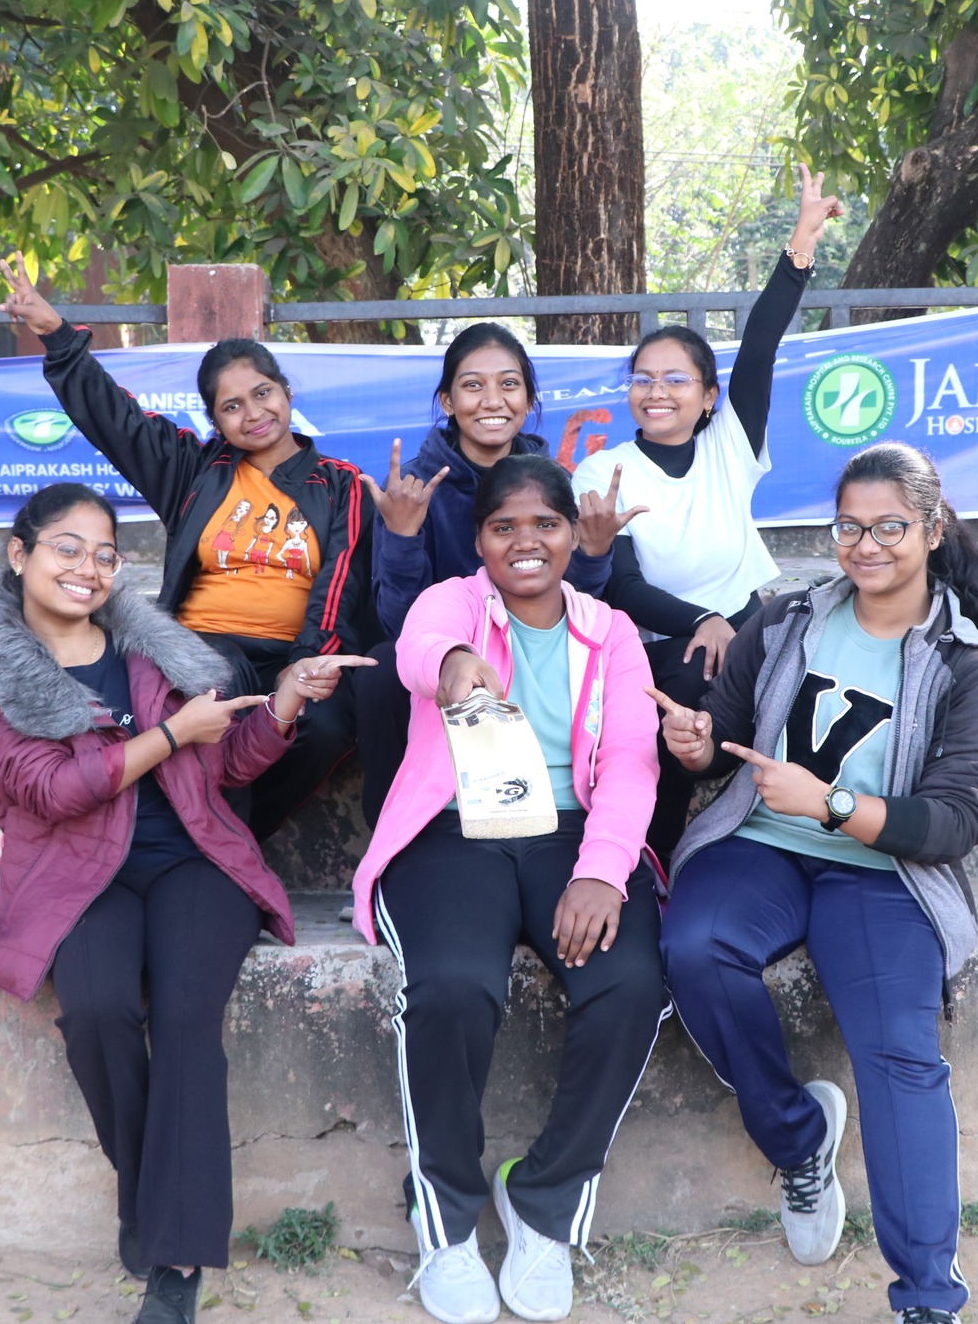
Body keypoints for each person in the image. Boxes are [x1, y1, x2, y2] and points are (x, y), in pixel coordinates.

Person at [0, 483, 370, 1324]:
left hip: (195, 859)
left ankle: (174, 1260)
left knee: (184, 1015)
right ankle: (149, 1190)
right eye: (68, 547)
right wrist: (174, 733)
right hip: (76, 872)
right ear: (20, 554)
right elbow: (53, 790)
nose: (88, 567)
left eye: (105, 553)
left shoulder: (155, 654)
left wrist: (286, 699)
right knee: (99, 1010)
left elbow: (225, 765)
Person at [649, 444, 978, 1324]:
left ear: (932, 529)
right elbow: (727, 734)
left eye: (889, 527)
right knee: (694, 945)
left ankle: (927, 1298)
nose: (866, 545)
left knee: (898, 1053)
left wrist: (834, 803)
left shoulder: (965, 663)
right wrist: (697, 744)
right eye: (850, 526)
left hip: (884, 872)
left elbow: (956, 819)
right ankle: (799, 1138)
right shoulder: (788, 618)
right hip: (763, 846)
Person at [351, 456, 666, 1324]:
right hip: (455, 832)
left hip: (572, 835)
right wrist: (456, 665)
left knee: (631, 983)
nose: (526, 542)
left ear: (572, 535)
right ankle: (446, 1219)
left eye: (545, 525)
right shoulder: (452, 603)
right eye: (504, 527)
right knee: (454, 985)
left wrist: (602, 870)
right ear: (480, 539)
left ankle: (544, 1201)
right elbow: (419, 648)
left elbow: (632, 761)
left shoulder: (612, 632)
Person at [0, 256, 370, 841]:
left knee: (326, 729)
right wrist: (56, 335)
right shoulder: (194, 471)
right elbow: (116, 419)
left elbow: (340, 584)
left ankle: (227, 840)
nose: (254, 413)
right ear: (215, 421)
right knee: (216, 684)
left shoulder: (341, 483)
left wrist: (305, 662)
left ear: (286, 392)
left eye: (263, 393)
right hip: (199, 647)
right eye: (232, 406)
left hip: (294, 650)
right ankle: (203, 842)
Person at [571, 167, 843, 868]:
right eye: (643, 379)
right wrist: (701, 620)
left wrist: (800, 245)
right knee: (677, 703)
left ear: (708, 395)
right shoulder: (601, 472)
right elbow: (620, 585)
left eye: (675, 379)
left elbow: (760, 346)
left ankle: (815, 841)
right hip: (661, 644)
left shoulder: (730, 442)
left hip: (747, 624)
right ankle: (651, 861)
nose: (656, 391)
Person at [355, 324, 625, 824]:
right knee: (382, 670)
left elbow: (579, 603)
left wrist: (594, 552)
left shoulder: (553, 482)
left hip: (535, 645)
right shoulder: (412, 488)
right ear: (448, 400)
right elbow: (400, 625)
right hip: (446, 654)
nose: (492, 400)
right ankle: (393, 838)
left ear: (528, 400)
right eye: (473, 385)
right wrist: (402, 536)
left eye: (509, 384)